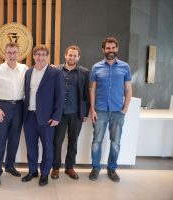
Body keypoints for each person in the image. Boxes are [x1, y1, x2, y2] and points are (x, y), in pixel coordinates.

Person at [89, 37, 132, 182]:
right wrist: (92, 110)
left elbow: (128, 89)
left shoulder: (125, 67)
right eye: (108, 48)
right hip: (100, 110)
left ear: (117, 49)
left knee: (115, 142)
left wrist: (125, 108)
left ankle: (112, 169)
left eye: (113, 48)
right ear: (103, 50)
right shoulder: (96, 67)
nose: (111, 50)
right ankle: (95, 168)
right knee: (97, 142)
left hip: (117, 112)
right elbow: (93, 90)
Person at [21, 45, 65, 186]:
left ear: (47, 57)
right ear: (33, 56)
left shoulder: (55, 73)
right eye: (38, 54)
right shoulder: (28, 72)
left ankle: (45, 173)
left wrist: (57, 116)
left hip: (47, 118)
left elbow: (60, 96)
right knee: (31, 146)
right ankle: (32, 171)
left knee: (47, 147)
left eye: (43, 55)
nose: (40, 57)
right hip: (29, 116)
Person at [0, 42, 28, 187]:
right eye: (9, 52)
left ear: (19, 53)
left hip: (19, 107)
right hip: (2, 108)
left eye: (14, 52)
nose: (12, 55)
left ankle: (9, 166)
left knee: (14, 140)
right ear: (4, 54)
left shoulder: (24, 69)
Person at [51, 45, 90, 180]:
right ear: (65, 55)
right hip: (59, 114)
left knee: (73, 141)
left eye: (75, 55)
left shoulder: (84, 72)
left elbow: (86, 94)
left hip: (76, 114)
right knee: (57, 142)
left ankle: (69, 167)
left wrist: (85, 113)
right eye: (70, 55)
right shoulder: (56, 70)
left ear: (78, 57)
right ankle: (55, 168)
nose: (72, 57)